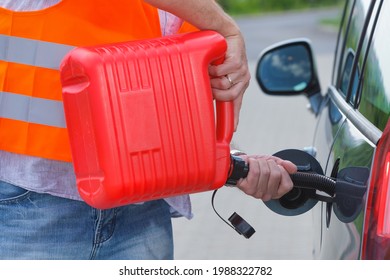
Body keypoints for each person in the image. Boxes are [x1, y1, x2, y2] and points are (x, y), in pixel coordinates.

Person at [0, 0, 297, 259]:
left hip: (141, 211)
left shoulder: (188, 10)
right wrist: (227, 29)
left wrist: (230, 159)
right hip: (33, 207)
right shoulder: (208, 16)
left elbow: (160, 108)